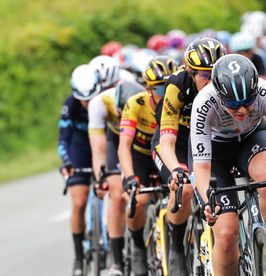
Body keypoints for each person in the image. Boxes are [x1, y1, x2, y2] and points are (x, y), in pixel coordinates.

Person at [190, 54, 266, 276]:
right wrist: (209, 201)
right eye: (233, 105)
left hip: (251, 138)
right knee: (226, 235)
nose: (242, 111)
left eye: (248, 102)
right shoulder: (203, 104)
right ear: (219, 96)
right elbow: (201, 167)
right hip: (214, 154)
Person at [151, 37, 225, 275]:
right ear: (190, 72)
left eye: (214, 73)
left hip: (206, 138)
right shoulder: (177, 85)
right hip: (175, 140)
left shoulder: (224, 82)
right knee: (183, 188)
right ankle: (176, 248)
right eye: (203, 74)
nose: (210, 80)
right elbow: (167, 141)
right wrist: (176, 169)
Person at [118, 56, 178, 275]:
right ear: (148, 89)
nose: (166, 94)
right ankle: (137, 247)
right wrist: (129, 177)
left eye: (169, 87)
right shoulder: (136, 105)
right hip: (140, 157)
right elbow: (124, 145)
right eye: (160, 89)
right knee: (139, 199)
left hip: (166, 154)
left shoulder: (177, 102)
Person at [87, 59, 131, 275]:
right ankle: (118, 262)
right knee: (115, 195)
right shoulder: (97, 103)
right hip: (115, 136)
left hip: (138, 134)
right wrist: (100, 178)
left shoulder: (134, 86)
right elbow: (98, 149)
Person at [58, 64, 101, 276]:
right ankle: (78, 256)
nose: (86, 103)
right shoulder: (71, 104)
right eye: (83, 99)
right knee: (79, 201)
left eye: (91, 98)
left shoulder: (105, 100)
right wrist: (67, 161)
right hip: (80, 149)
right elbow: (63, 138)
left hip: (101, 146)